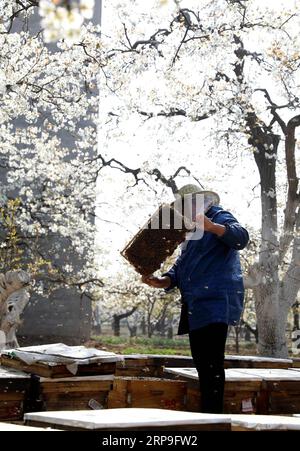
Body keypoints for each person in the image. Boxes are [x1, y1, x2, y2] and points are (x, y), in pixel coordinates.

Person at [141, 184, 249, 413]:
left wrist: (213, 228)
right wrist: (165, 281)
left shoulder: (219, 215)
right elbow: (183, 266)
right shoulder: (190, 232)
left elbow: (241, 237)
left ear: (199, 201)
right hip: (196, 304)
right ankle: (208, 415)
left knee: (211, 364)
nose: (182, 210)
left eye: (185, 204)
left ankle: (213, 418)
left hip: (216, 300)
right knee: (202, 363)